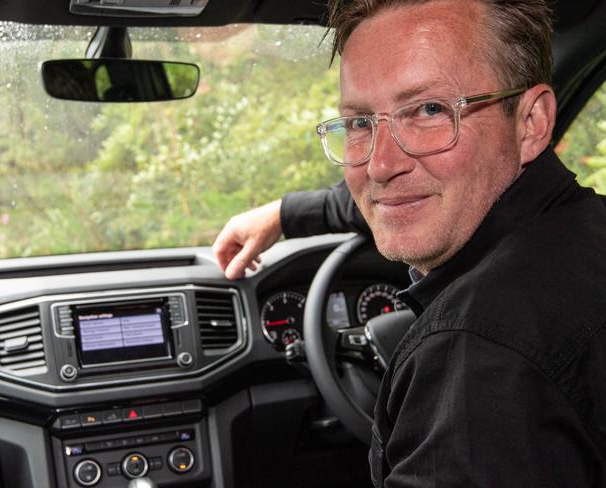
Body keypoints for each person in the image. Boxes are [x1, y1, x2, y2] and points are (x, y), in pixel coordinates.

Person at [213, 0, 606, 485]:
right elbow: (404, 190)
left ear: (531, 123)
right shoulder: (586, 228)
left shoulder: (478, 358)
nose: (380, 166)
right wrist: (281, 215)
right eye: (359, 123)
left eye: (429, 110)